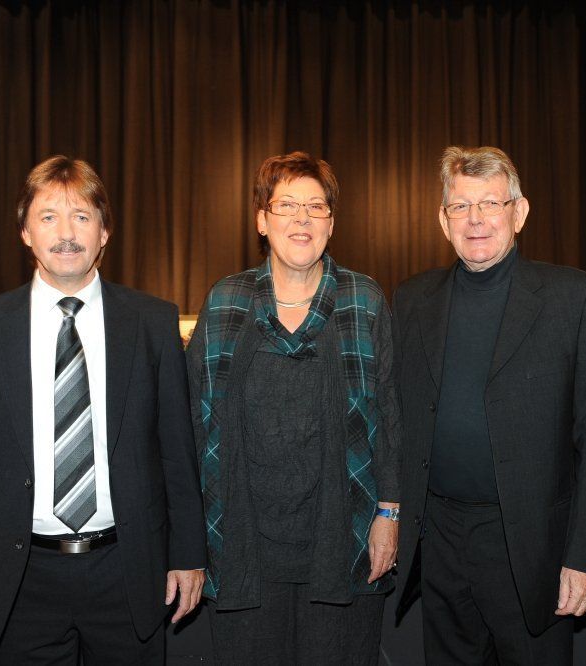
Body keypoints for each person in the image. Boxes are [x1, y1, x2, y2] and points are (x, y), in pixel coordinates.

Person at [0, 156, 207, 664]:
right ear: (25, 232)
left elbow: (176, 449)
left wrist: (189, 554)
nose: (66, 233)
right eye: (48, 216)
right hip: (19, 579)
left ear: (104, 232)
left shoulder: (153, 323)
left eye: (81, 216)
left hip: (128, 571)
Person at [392, 145, 586, 664]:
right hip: (439, 538)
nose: (475, 219)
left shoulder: (573, 298)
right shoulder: (412, 299)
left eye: (490, 203)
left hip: (532, 546)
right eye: (460, 206)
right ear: (443, 219)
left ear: (520, 212)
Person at [186, 151, 401, 665]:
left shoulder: (364, 300)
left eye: (316, 206)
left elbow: (390, 417)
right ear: (262, 220)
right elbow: (193, 422)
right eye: (286, 205)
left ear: (332, 223)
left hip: (345, 538)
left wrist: (388, 513)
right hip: (241, 544)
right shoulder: (226, 301)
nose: (301, 219)